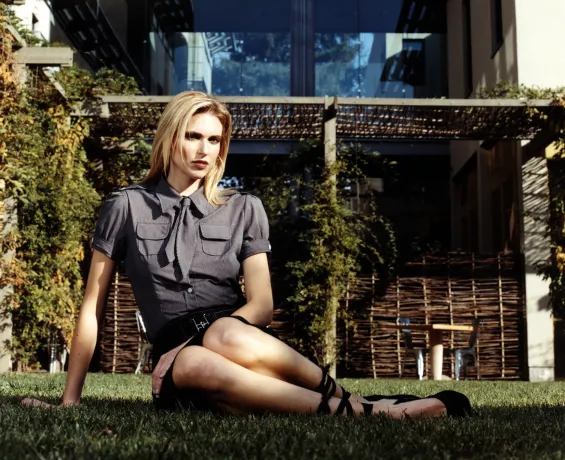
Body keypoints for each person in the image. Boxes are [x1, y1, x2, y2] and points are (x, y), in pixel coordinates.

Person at [22, 91, 471, 419]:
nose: (204, 150)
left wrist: (216, 328)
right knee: (196, 358)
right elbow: (90, 310)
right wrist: (69, 401)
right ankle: (368, 411)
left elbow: (261, 304)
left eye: (214, 140)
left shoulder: (243, 208)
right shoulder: (125, 205)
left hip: (237, 339)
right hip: (177, 363)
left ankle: (355, 406)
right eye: (193, 136)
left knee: (222, 335)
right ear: (169, 138)